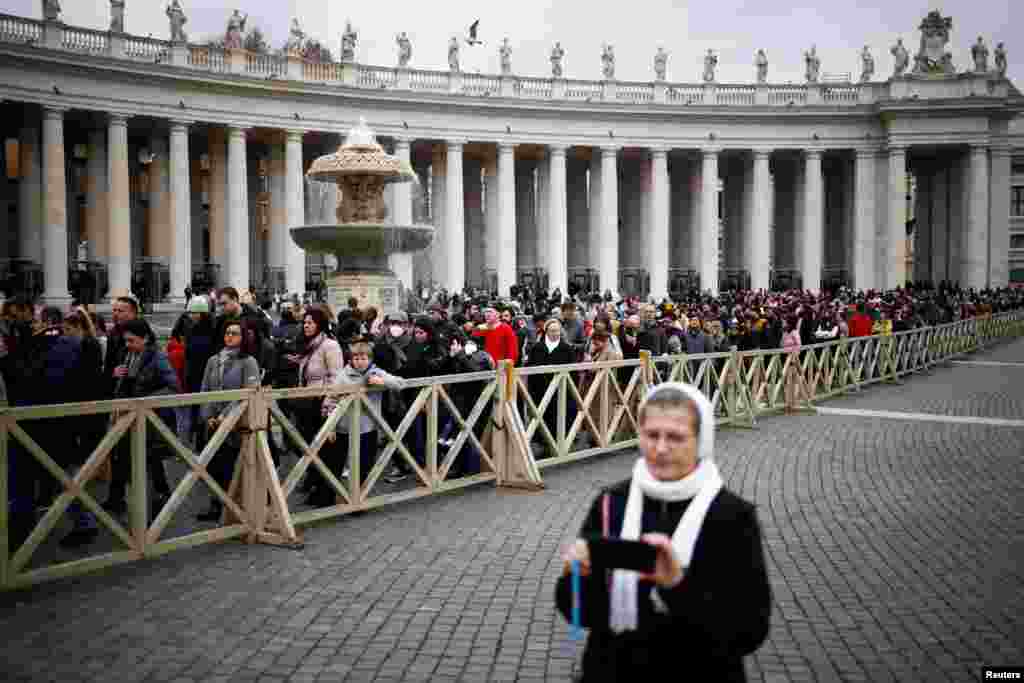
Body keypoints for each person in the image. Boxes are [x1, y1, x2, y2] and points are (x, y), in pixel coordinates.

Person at [556, 382, 771, 681]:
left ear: (702, 441)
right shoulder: (611, 503)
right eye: (651, 435)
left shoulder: (732, 516)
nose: (660, 448)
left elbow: (749, 631)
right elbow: (580, 614)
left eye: (676, 437)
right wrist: (575, 578)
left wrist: (677, 586)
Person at [101, 318, 179, 519]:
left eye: (132, 341)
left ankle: (155, 503)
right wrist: (116, 375)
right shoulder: (128, 355)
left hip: (149, 420)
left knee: (149, 461)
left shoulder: (157, 357)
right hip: (128, 419)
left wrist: (144, 403)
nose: (128, 345)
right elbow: (124, 386)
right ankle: (118, 498)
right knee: (123, 457)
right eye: (126, 341)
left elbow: (173, 387)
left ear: (145, 338)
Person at [195, 319, 261, 521]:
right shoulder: (213, 361)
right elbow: (205, 389)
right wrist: (208, 416)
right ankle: (216, 503)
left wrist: (225, 416)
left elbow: (247, 393)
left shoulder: (248, 361)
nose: (229, 336)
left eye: (235, 333)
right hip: (212, 421)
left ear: (243, 337)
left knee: (231, 466)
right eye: (227, 333)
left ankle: (234, 506)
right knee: (213, 465)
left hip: (235, 422)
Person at [323, 338, 405, 495]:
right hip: (343, 427)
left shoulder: (375, 372)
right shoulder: (342, 375)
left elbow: (400, 383)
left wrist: (382, 381)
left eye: (363, 358)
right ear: (351, 359)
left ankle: (359, 497)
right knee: (336, 464)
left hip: (367, 428)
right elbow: (331, 399)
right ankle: (333, 497)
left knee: (364, 464)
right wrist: (330, 426)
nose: (360, 362)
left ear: (370, 359)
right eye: (356, 358)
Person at [286, 308, 344, 502]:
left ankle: (325, 492)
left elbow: (335, 377)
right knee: (307, 445)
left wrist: (329, 403)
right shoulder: (309, 346)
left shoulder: (330, 345)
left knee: (323, 449)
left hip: (321, 402)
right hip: (306, 402)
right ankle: (315, 483)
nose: (306, 325)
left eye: (310, 322)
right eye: (304, 322)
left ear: (320, 324)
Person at [526, 318, 577, 458]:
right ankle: (543, 445)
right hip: (540, 390)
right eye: (552, 330)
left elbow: (574, 373)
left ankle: (558, 447)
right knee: (542, 417)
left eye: (557, 331)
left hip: (560, 391)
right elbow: (530, 368)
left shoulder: (567, 348)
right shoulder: (537, 348)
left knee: (559, 417)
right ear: (546, 331)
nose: (555, 333)